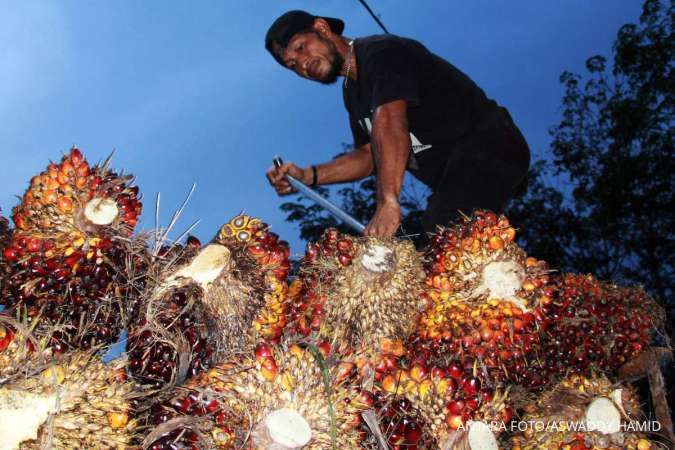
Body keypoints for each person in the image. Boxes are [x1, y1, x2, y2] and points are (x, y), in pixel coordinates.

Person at [264, 10, 530, 241]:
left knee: (443, 232)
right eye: (292, 64)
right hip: (453, 178)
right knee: (435, 247)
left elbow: (390, 121)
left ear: (322, 28)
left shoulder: (381, 52)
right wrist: (308, 175)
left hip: (489, 146)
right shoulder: (353, 93)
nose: (302, 63)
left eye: (301, 48)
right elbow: (368, 156)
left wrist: (388, 202)